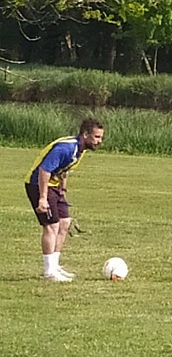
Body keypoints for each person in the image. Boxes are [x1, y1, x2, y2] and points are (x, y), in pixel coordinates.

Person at [24, 118, 105, 281]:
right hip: (38, 184)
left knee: (64, 223)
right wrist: (42, 198)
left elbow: (64, 170)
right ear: (85, 135)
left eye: (101, 137)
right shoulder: (65, 148)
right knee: (51, 225)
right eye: (96, 137)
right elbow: (44, 171)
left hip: (54, 186)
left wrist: (63, 189)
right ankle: (49, 271)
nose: (99, 141)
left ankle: (55, 266)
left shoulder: (80, 149)